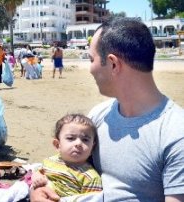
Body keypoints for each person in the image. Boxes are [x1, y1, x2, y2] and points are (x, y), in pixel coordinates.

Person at [31, 18, 184, 201]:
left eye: (91, 59)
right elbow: (65, 166)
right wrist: (37, 191)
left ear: (113, 64)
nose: (90, 69)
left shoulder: (175, 134)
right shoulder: (98, 116)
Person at [31, 114, 102, 198]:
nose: (78, 143)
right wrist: (37, 177)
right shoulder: (50, 161)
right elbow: (37, 172)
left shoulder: (90, 177)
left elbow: (92, 199)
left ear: (92, 148)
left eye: (85, 140)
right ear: (57, 145)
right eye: (71, 138)